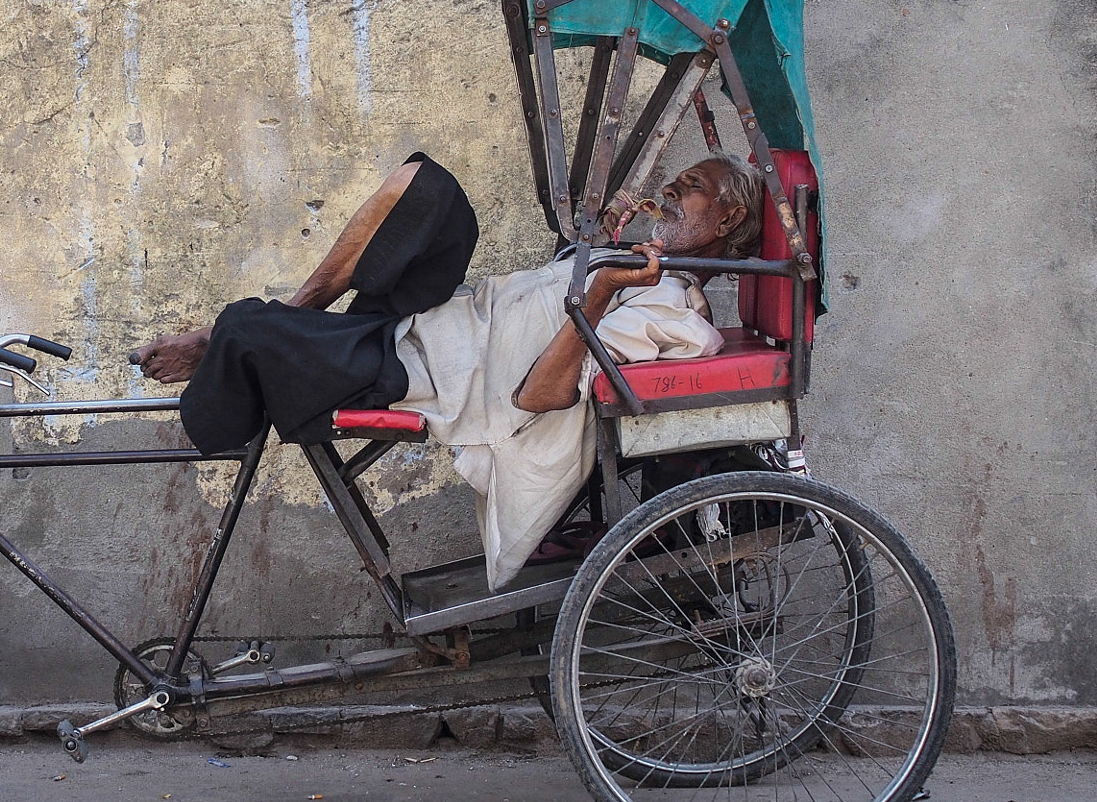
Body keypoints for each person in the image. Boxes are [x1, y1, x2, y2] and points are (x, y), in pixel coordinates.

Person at [130, 152, 764, 587]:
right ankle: (298, 320)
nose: (671, 192)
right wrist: (603, 248)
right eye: (674, 183)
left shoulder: (670, 311)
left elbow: (541, 393)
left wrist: (601, 290)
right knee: (425, 186)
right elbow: (545, 298)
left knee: (245, 325)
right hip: (437, 316)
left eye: (692, 187)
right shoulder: (632, 262)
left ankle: (252, 338)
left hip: (428, 368)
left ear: (729, 220)